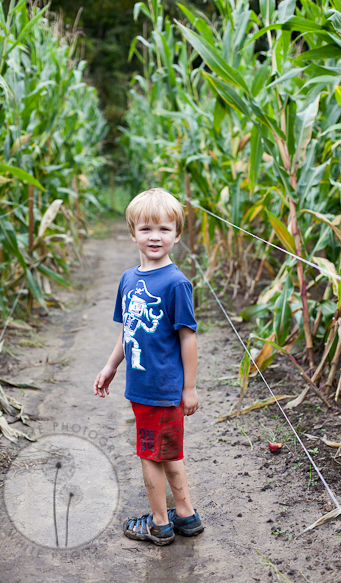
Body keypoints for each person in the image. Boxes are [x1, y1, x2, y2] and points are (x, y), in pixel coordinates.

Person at [93, 187, 204, 546]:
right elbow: (128, 330)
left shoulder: (176, 283)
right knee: (167, 452)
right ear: (132, 233)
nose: (155, 237)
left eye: (164, 229)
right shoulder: (129, 279)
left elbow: (188, 337)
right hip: (141, 387)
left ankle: (159, 524)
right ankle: (185, 516)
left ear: (177, 234)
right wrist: (111, 366)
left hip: (162, 388)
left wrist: (189, 388)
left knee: (150, 456)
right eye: (146, 229)